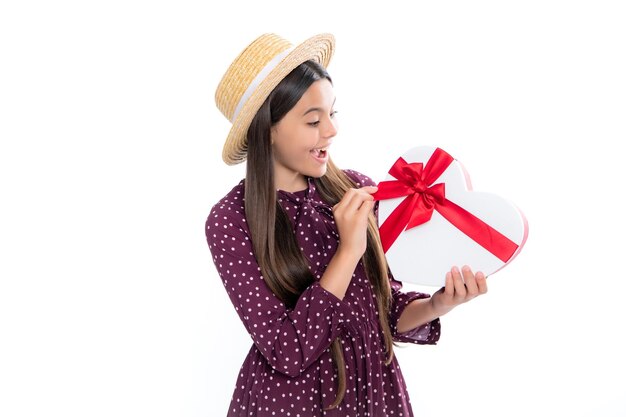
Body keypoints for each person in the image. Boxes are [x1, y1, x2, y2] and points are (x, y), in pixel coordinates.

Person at [205, 33, 488, 417]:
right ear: (267, 129)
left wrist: (438, 304)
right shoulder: (230, 220)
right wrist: (349, 249)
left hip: (374, 393)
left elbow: (382, 313)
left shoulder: (353, 189)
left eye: (331, 114)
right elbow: (286, 351)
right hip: (291, 404)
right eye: (312, 120)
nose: (331, 131)